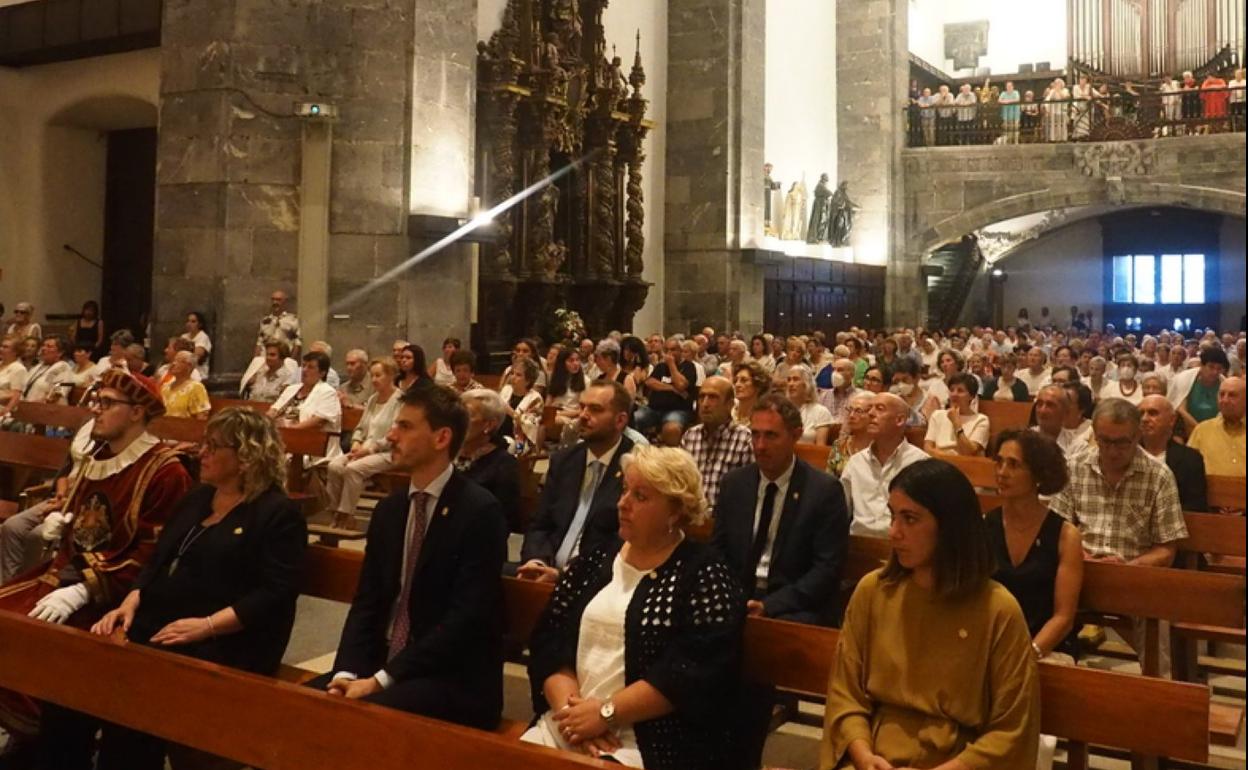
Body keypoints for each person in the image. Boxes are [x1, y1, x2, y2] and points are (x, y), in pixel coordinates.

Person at [61, 409, 306, 770]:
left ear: (246, 457)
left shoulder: (276, 512)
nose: (201, 452)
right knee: (74, 679)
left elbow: (275, 594)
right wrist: (131, 601)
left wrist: (206, 626)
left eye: (213, 446)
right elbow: (159, 558)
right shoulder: (199, 497)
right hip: (165, 622)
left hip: (227, 638)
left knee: (135, 691)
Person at [0, 370, 193, 748]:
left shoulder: (166, 470)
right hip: (65, 577)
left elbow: (154, 554)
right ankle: (30, 741)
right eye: (95, 401)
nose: (95, 410)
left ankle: (42, 738)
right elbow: (86, 523)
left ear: (136, 412)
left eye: (106, 403)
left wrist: (83, 590)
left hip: (115, 596)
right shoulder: (98, 456)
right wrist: (63, 524)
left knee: (27, 643)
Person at [523, 445, 745, 770]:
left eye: (640, 496)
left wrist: (605, 714)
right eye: (625, 490)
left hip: (647, 740)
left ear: (675, 511)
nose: (622, 503)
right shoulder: (593, 561)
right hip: (567, 722)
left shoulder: (704, 575)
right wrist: (572, 719)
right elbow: (550, 645)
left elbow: (690, 674)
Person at [821, 459, 1040, 770]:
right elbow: (845, 695)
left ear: (950, 527)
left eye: (910, 519)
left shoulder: (998, 609)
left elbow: (1012, 729)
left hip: (957, 762)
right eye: (892, 516)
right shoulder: (873, 591)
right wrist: (864, 756)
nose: (894, 532)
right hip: (873, 755)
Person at [315, 385, 508, 731]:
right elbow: (368, 601)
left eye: (405, 426)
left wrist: (381, 680)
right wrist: (346, 671)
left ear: (441, 438)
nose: (391, 436)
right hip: (384, 660)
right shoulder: (391, 510)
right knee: (306, 703)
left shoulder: (479, 511)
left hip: (449, 674)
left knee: (356, 721)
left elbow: (466, 618)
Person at [518, 381, 634, 583]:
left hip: (597, 582)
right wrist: (537, 561)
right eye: (582, 407)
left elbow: (625, 544)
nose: (583, 415)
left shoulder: (635, 468)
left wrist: (565, 576)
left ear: (620, 420)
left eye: (595, 409)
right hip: (546, 569)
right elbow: (540, 524)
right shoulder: (564, 460)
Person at [1050, 399, 1187, 567]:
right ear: (1094, 434)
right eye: (1105, 441)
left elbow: (1166, 550)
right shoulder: (1073, 467)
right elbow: (1056, 531)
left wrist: (1127, 568)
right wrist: (1083, 557)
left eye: (1122, 442)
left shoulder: (1159, 476)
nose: (1112, 452)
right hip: (1078, 567)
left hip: (1134, 573)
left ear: (1138, 435)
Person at [324, 359, 402, 529]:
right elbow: (360, 427)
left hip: (388, 452)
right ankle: (335, 512)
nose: (374, 379)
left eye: (378, 375)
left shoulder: (400, 400)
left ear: (391, 376)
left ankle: (346, 515)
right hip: (365, 449)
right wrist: (356, 442)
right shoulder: (373, 399)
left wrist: (370, 449)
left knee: (353, 469)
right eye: (372, 375)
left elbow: (395, 434)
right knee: (334, 466)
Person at [841, 393, 929, 538]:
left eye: (879, 408)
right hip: (858, 543)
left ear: (900, 420)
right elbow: (840, 510)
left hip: (900, 543)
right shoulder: (856, 462)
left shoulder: (919, 463)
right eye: (870, 408)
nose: (870, 413)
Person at [680, 376, 753, 514]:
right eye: (702, 397)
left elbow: (749, 494)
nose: (705, 404)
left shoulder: (745, 440)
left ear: (730, 404)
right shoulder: (690, 436)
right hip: (692, 517)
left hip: (727, 519)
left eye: (713, 397)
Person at [456, 389, 521, 531]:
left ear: (489, 425)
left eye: (467, 415)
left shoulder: (503, 465)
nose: (458, 421)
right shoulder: (446, 454)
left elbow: (503, 520)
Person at [268, 351, 343, 461]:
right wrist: (264, 424)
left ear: (322, 373)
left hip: (310, 446)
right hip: (282, 438)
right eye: (304, 366)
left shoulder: (327, 392)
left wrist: (288, 432)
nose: (304, 370)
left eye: (310, 367)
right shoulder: (291, 389)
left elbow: (317, 422)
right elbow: (274, 410)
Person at [1139, 395, 1209, 511]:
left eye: (1153, 413)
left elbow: (1195, 507)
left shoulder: (1190, 459)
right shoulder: (1128, 455)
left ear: (1172, 420)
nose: (1144, 419)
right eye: (1141, 414)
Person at [638, 337, 697, 446]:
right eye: (667, 350)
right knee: (636, 418)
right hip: (654, 409)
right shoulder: (660, 366)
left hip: (678, 410)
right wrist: (672, 388)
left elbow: (681, 385)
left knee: (671, 427)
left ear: (680, 351)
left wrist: (671, 365)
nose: (669, 353)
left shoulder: (689, 366)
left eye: (673, 350)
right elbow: (650, 382)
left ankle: (670, 455)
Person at [1186, 377, 1245, 477]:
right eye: (1221, 394)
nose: (1225, 400)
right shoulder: (1202, 431)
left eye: (1232, 395)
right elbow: (1187, 469)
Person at [924, 372, 990, 456]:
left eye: (960, 390)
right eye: (951, 390)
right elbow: (928, 448)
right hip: (938, 461)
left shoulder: (981, 420)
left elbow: (969, 452)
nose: (954, 394)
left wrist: (956, 424)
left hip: (964, 462)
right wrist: (947, 457)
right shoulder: (937, 415)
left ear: (971, 396)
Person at [1169, 347, 1228, 433]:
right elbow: (1181, 409)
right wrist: (1200, 429)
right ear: (1201, 366)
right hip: (1186, 428)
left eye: (1219, 368)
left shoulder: (1224, 383)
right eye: (1211, 367)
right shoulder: (1184, 378)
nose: (1215, 372)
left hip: (1215, 428)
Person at [498, 357, 544, 453]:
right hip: (499, 433)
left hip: (520, 440)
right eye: (512, 373)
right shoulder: (506, 390)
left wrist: (510, 412)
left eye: (518, 375)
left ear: (528, 381)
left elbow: (530, 424)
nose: (513, 377)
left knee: (508, 445)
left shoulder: (535, 398)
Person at [547, 347, 589, 447]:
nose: (576, 363)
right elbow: (548, 403)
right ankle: (537, 451)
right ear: (562, 363)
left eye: (577, 360)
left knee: (553, 421)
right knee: (537, 420)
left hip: (572, 415)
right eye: (571, 360)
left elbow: (582, 410)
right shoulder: (556, 378)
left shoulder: (585, 381)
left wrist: (559, 413)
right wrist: (547, 412)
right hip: (555, 412)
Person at [826, 392, 874, 478]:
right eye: (850, 410)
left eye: (858, 411)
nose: (851, 415)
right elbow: (830, 476)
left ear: (873, 415)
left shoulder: (879, 449)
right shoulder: (840, 445)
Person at [787, 365, 833, 445]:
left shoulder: (821, 412)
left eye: (795, 379)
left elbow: (820, 448)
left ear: (807, 384)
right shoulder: (782, 411)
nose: (791, 384)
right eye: (789, 380)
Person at [159, 351, 211, 420]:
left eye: (180, 361)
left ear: (190, 366)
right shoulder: (165, 387)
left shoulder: (196, 387)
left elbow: (202, 417)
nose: (174, 363)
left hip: (183, 426)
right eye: (174, 360)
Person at [21, 337, 72, 404]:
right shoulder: (38, 366)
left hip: (47, 408)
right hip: (26, 405)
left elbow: (56, 396)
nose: (43, 348)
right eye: (43, 345)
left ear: (60, 352)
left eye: (49, 346)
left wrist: (30, 404)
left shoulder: (63, 368)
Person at [255, 289, 302, 358]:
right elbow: (259, 342)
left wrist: (291, 360)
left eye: (278, 300)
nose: (275, 302)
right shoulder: (265, 321)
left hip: (284, 357)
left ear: (285, 302)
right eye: (273, 299)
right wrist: (256, 359)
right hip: (266, 357)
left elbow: (297, 342)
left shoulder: (293, 320)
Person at [817, 358, 862, 425]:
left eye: (840, 370)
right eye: (834, 370)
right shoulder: (824, 395)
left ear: (851, 374)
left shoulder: (859, 397)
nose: (835, 373)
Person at [887, 357, 927, 428]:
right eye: (897, 381)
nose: (901, 384)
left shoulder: (928, 399)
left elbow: (925, 427)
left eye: (904, 380)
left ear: (917, 378)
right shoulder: (895, 400)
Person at [731, 360, 769, 426]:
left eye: (744, 380)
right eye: (735, 380)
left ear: (758, 385)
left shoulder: (763, 418)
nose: (737, 384)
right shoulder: (728, 411)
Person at [0, 337, 28, 420]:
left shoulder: (18, 369)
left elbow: (16, 395)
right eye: (1, 346)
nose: (1, 349)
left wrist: (5, 412)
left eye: (5, 347)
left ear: (15, 352)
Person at [180, 311, 212, 379]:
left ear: (200, 324)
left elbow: (196, 357)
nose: (189, 324)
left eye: (193, 321)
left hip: (199, 374)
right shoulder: (183, 337)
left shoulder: (203, 337)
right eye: (188, 321)